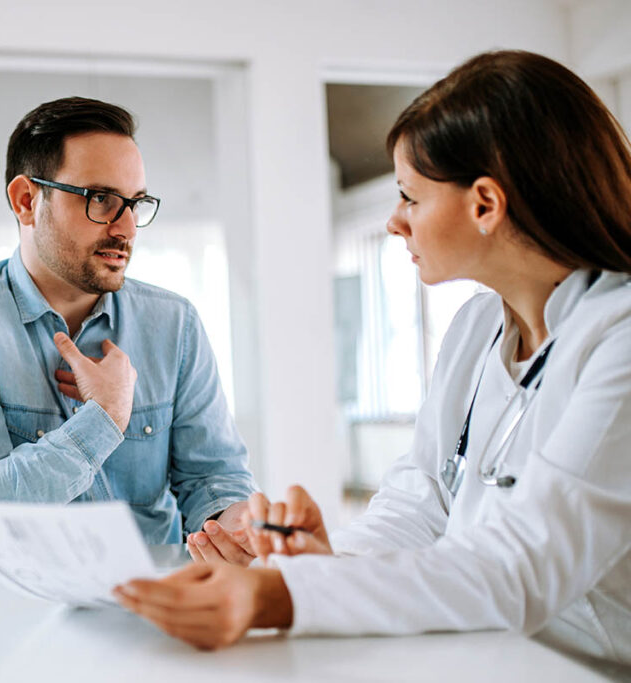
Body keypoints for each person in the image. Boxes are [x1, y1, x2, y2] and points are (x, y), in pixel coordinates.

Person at [114, 50, 631, 665]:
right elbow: (419, 502)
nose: (394, 222)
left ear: (485, 204)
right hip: (487, 650)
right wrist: (323, 568)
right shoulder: (476, 329)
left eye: (410, 197)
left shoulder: (618, 343)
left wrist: (281, 595)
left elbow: (519, 569)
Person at [0, 97, 257, 564]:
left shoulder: (175, 324)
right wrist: (103, 420)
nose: (127, 228)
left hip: (152, 608)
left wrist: (236, 524)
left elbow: (213, 479)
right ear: (26, 201)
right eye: (101, 200)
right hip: (7, 616)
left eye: (136, 203)